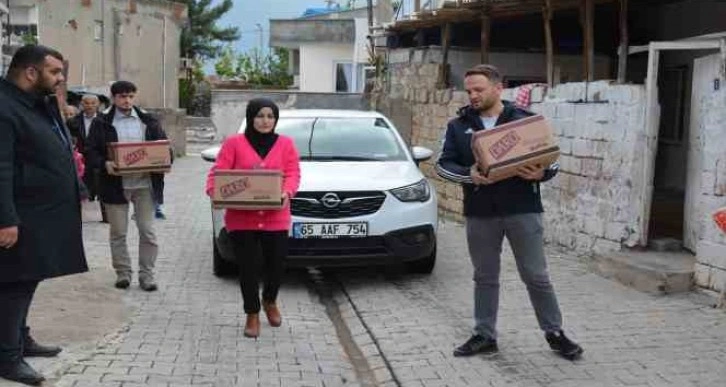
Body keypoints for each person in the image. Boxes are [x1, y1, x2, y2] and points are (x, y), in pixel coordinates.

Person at [436, 64, 583, 360]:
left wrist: (539, 174)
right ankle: (484, 335)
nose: (473, 96)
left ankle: (555, 333)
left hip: (523, 211)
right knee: (484, 276)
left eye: (479, 90)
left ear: (498, 88)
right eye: (469, 91)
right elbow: (442, 164)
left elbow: (551, 161)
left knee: (536, 275)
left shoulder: (524, 121)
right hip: (480, 213)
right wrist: (470, 174)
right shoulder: (458, 126)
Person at [0, 44, 88, 386]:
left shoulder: (38, 103)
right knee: (12, 284)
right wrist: (5, 219)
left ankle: (20, 337)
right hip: (19, 215)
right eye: (55, 72)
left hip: (40, 214)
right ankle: (7, 357)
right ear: (30, 73)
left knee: (29, 276)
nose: (61, 78)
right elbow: (1, 167)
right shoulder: (5, 107)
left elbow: (60, 145)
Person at [205, 98, 300, 338]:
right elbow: (218, 173)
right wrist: (213, 191)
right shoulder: (234, 143)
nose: (265, 121)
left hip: (275, 217)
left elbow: (292, 173)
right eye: (260, 116)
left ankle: (270, 300)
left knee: (276, 267)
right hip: (241, 219)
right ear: (250, 117)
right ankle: (252, 313)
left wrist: (286, 192)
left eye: (270, 116)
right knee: (247, 268)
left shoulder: (286, 144)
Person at [86, 81, 167, 292]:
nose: (127, 100)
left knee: (148, 232)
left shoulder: (148, 121)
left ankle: (147, 275)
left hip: (145, 185)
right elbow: (91, 152)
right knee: (119, 232)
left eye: (130, 96)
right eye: (122, 96)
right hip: (115, 185)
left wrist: (164, 163)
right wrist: (105, 164)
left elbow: (164, 148)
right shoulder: (101, 122)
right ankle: (123, 273)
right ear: (113, 98)